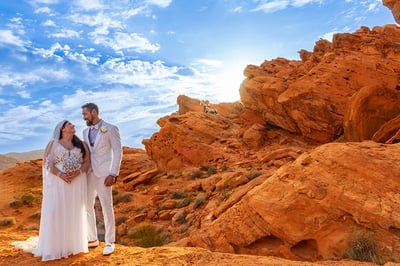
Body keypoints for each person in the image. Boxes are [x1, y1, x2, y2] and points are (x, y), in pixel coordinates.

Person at [11, 120, 90, 261]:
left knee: (74, 210)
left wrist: (78, 172)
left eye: (72, 125)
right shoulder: (52, 144)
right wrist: (61, 174)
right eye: (70, 124)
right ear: (62, 129)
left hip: (77, 182)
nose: (73, 126)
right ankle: (55, 246)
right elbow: (47, 163)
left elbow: (87, 162)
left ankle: (72, 245)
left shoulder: (81, 144)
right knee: (57, 211)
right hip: (58, 181)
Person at [81, 102, 122, 256]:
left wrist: (113, 173)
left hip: (105, 173)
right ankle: (92, 238)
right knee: (87, 205)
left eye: (85, 114)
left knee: (106, 206)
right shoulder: (85, 131)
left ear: (94, 112)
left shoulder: (110, 129)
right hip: (89, 173)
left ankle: (110, 242)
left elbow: (118, 152)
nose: (83, 117)